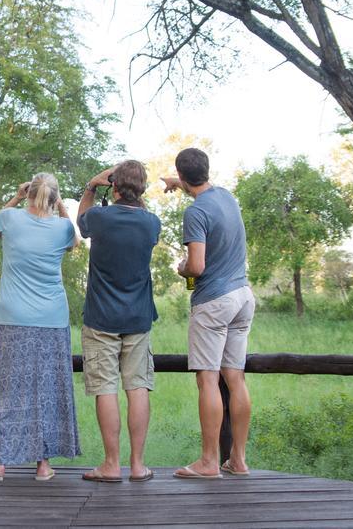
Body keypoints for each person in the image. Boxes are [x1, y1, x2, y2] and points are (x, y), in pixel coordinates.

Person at [0, 172, 81, 482]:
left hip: (14, 318)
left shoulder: (10, 218)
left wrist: (16, 198)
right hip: (52, 319)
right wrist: (61, 208)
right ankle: (43, 466)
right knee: (47, 390)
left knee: (11, 391)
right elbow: (74, 242)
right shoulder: (62, 227)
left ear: (29, 192)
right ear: (54, 196)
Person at [163, 147, 254, 479]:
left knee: (207, 379)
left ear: (184, 178)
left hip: (214, 301)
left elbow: (197, 266)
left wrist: (182, 269)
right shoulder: (226, 197)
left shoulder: (196, 213)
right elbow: (201, 182)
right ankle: (239, 460)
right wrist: (180, 181)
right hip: (243, 296)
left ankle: (208, 462)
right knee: (235, 377)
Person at [77, 160, 162, 483]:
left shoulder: (99, 218)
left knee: (105, 389)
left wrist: (91, 186)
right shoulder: (151, 223)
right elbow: (138, 211)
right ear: (142, 190)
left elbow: (81, 222)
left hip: (101, 318)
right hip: (138, 318)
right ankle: (138, 465)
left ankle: (111, 464)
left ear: (113, 187)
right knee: (138, 386)